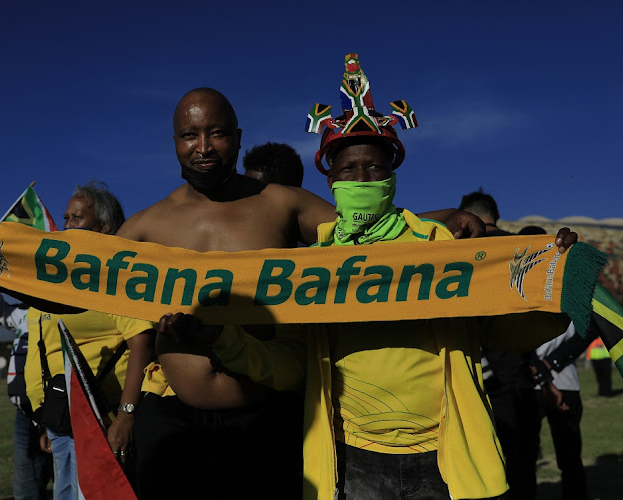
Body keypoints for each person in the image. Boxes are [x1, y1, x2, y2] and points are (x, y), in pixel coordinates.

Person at [0, 87, 488, 499]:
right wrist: (0, 275)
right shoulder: (147, 225)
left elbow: (366, 234)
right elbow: (81, 292)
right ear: (175, 142)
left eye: (216, 133)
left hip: (270, 417)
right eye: (190, 136)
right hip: (175, 424)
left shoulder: (280, 204)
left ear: (236, 136)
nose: (203, 147)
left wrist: (446, 219)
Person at [157, 57, 578, 500]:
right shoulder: (316, 268)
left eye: (375, 169)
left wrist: (555, 286)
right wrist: (223, 342)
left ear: (392, 174)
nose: (362, 179)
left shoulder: (436, 247)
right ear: (331, 179)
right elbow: (293, 363)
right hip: (354, 460)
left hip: (443, 456)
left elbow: (498, 326)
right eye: (348, 170)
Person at [25, 182, 156, 500]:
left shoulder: (117, 278)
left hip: (104, 420)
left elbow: (142, 343)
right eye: (66, 218)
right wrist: (47, 421)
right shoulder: (53, 281)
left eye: (77, 218)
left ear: (106, 228)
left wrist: (126, 415)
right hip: (61, 420)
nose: (67, 226)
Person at [460, 189, 541, 499]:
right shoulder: (524, 247)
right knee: (524, 463)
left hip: (475, 371)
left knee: (484, 464)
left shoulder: (459, 250)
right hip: (522, 370)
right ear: (496, 215)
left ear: (467, 217)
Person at [0, 293, 53, 500]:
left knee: (67, 487)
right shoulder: (24, 313)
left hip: (60, 413)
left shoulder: (64, 311)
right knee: (25, 491)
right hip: (25, 414)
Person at [532, 323, 590, 500]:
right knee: (523, 452)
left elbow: (588, 331)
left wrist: (548, 363)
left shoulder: (575, 298)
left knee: (569, 452)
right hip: (533, 380)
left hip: (560, 380)